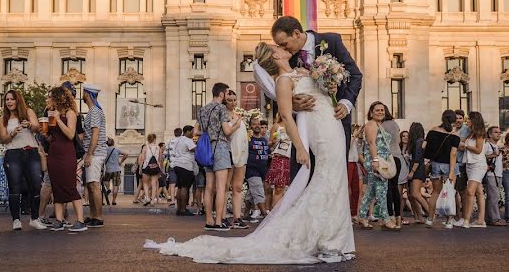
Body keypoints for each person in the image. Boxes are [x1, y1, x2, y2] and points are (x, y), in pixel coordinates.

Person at [146, 42, 354, 264]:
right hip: (320, 132)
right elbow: (285, 115)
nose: (285, 47)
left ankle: (335, 238)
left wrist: (331, 85)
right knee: (328, 178)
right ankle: (328, 240)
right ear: (276, 55)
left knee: (336, 179)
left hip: (332, 125)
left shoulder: (302, 71)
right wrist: (301, 148)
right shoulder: (283, 81)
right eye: (280, 46)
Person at [267, 16, 363, 164]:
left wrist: (346, 103)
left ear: (296, 33)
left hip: (335, 120)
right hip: (305, 126)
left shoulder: (332, 41)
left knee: (335, 170)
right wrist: (292, 104)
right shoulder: (287, 59)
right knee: (305, 171)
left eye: (284, 44)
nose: (283, 49)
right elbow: (284, 92)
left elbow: (355, 75)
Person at [0, 89, 45, 230]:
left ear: (18, 100)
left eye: (12, 99)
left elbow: (38, 128)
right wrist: (12, 133)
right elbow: (3, 139)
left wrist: (29, 125)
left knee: (36, 185)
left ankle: (34, 218)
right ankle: (16, 220)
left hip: (31, 151)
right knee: (14, 187)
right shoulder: (3, 118)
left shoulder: (28, 112)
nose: (9, 102)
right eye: (7, 99)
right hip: (13, 153)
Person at [198, 82, 241, 231]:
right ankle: (218, 221)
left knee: (209, 187)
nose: (227, 97)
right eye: (227, 94)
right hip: (221, 147)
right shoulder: (221, 108)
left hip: (207, 149)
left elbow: (199, 130)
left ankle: (209, 220)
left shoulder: (203, 109)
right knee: (221, 187)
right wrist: (236, 125)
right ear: (222, 94)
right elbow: (227, 131)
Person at [44, 85, 85, 232]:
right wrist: (45, 135)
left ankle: (80, 221)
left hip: (67, 153)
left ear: (59, 98)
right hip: (54, 152)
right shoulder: (51, 113)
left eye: (51, 97)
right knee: (57, 186)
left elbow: (70, 134)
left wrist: (58, 120)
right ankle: (59, 220)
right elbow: (53, 137)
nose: (49, 100)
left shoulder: (70, 113)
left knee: (69, 185)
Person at [356, 102, 399, 231]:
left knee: (371, 191)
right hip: (377, 161)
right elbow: (371, 143)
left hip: (379, 160)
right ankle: (385, 219)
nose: (380, 112)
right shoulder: (371, 124)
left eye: (382, 110)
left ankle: (362, 216)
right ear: (371, 112)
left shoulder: (378, 125)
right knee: (381, 190)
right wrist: (375, 160)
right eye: (377, 110)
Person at [423, 109, 460, 229]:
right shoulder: (455, 135)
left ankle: (429, 219)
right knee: (449, 192)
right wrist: (451, 172)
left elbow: (424, 146)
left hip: (435, 164)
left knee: (435, 192)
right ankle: (449, 221)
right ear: (454, 120)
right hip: (448, 165)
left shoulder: (433, 130)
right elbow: (453, 154)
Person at [81, 83, 107, 228]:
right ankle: (93, 215)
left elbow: (95, 134)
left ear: (87, 94)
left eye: (83, 93)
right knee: (90, 185)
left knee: (94, 184)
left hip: (95, 154)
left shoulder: (95, 112)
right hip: (94, 153)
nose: (82, 95)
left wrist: (89, 154)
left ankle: (98, 217)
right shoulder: (93, 111)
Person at [457, 111, 487, 228]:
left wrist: (465, 146)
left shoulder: (480, 133)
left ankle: (466, 220)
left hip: (478, 164)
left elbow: (478, 150)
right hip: (469, 164)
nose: (467, 121)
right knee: (479, 192)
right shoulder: (470, 133)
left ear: (474, 120)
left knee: (470, 191)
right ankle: (480, 220)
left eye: (469, 119)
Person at [224, 90, 249, 228]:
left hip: (242, 154)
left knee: (237, 187)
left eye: (235, 100)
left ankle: (237, 217)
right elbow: (226, 133)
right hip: (229, 152)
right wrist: (236, 125)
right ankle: (222, 217)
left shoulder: (237, 115)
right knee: (225, 186)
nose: (233, 103)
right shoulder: (223, 115)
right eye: (230, 100)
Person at [380, 111, 405, 227]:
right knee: (395, 188)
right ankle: (398, 217)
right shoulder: (395, 124)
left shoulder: (381, 125)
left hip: (386, 158)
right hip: (397, 157)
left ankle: (390, 217)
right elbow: (398, 141)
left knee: (387, 188)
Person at [169, 124, 197, 216]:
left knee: (180, 187)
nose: (194, 133)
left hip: (177, 164)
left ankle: (179, 209)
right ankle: (183, 209)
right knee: (185, 187)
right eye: (192, 131)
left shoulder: (178, 140)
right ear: (188, 132)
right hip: (186, 165)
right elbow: (195, 150)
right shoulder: (188, 140)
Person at [265, 114, 291, 209]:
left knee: (283, 188)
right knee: (278, 188)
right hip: (278, 159)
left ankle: (278, 212)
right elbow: (269, 143)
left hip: (288, 159)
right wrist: (274, 141)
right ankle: (273, 213)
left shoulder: (293, 126)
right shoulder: (276, 125)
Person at [245, 117, 269, 221]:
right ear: (250, 127)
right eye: (254, 124)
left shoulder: (264, 140)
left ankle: (245, 215)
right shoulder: (248, 140)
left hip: (262, 170)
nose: (257, 126)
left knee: (251, 194)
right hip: (252, 170)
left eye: (258, 124)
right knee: (259, 192)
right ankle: (265, 216)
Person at [406, 122, 429, 224]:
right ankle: (418, 216)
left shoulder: (419, 142)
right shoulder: (417, 142)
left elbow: (418, 158)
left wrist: (412, 172)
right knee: (411, 195)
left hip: (417, 170)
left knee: (416, 193)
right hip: (415, 169)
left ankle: (431, 212)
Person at [483, 125, 505, 226]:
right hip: (491, 174)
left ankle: (488, 218)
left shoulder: (498, 146)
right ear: (490, 134)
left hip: (498, 174)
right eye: (496, 132)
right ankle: (495, 219)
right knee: (494, 197)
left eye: (499, 132)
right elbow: (481, 156)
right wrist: (493, 155)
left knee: (491, 197)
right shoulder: (487, 145)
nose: (499, 134)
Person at [138, 134, 162, 207]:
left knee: (145, 183)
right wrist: (160, 168)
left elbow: (142, 158)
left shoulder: (145, 147)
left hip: (146, 167)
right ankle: (152, 200)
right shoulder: (158, 148)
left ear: (148, 139)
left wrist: (140, 167)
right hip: (155, 167)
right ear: (154, 139)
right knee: (154, 184)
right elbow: (160, 159)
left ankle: (147, 198)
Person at [102, 138, 126, 206]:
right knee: (116, 185)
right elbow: (126, 154)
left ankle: (108, 189)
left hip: (108, 170)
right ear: (113, 143)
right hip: (116, 170)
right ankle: (114, 200)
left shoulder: (104, 150)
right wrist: (121, 162)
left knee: (105, 180)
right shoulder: (117, 150)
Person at [165, 128, 182, 207]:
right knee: (181, 184)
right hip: (181, 165)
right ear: (181, 133)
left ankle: (172, 200)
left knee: (172, 183)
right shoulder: (183, 141)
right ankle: (181, 200)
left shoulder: (169, 141)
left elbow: (166, 154)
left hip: (172, 164)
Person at [347, 123, 361, 219]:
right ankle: (347, 213)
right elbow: (347, 146)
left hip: (355, 163)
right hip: (348, 163)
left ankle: (354, 213)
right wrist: (353, 136)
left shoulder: (356, 140)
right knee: (347, 189)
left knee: (356, 189)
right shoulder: (349, 138)